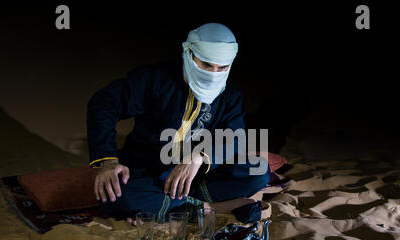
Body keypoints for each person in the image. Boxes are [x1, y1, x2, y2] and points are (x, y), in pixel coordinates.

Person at [87, 23, 269, 224]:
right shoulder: (155, 79)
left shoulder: (230, 93)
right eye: (206, 64)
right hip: (149, 172)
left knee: (257, 171)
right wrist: (109, 161)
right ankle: (208, 207)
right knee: (116, 197)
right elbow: (103, 103)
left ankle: (173, 206)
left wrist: (199, 157)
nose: (213, 73)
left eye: (222, 67)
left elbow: (235, 135)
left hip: (195, 176)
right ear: (188, 53)